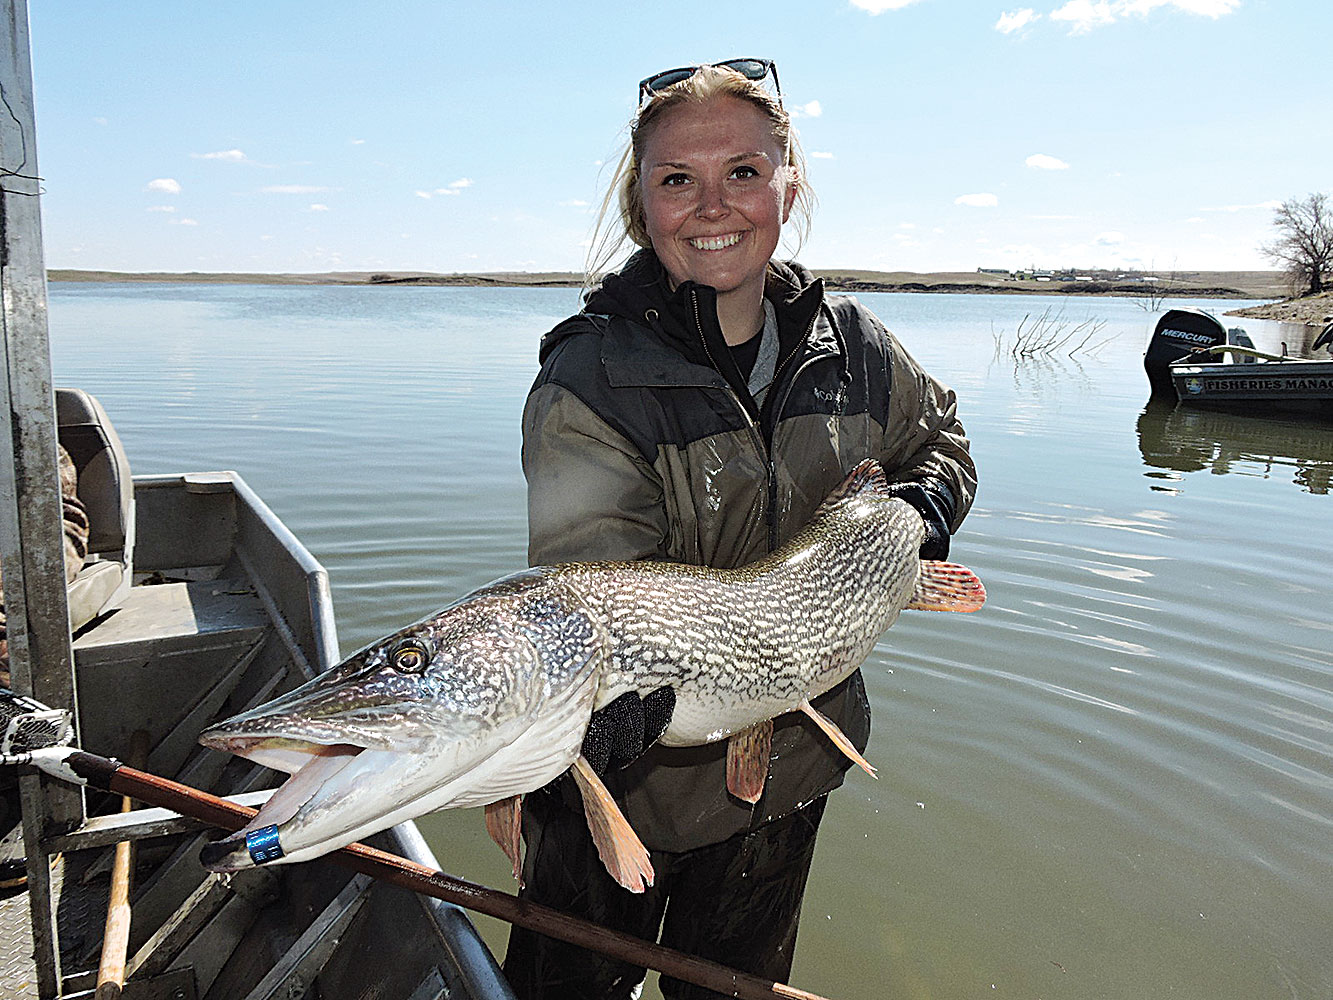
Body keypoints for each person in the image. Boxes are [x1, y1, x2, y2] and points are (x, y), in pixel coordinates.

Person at [505, 59, 976, 999]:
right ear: (642, 206)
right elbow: (596, 585)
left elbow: (939, 440)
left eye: (744, 173)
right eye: (677, 178)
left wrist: (918, 515)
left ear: (786, 189)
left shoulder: (855, 345)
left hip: (788, 776)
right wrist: (596, 713)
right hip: (621, 793)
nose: (713, 206)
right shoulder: (588, 381)